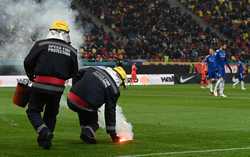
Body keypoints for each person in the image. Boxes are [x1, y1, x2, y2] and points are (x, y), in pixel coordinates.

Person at [24, 20, 78, 149]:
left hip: (40, 83)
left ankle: (43, 131)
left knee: (33, 110)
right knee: (51, 114)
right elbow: (74, 72)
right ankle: (46, 142)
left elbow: (27, 62)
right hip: (58, 87)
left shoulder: (41, 44)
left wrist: (31, 75)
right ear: (66, 34)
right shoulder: (72, 50)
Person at [67, 66, 127, 144]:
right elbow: (110, 111)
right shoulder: (114, 90)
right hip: (86, 105)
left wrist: (74, 87)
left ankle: (85, 131)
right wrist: (113, 134)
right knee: (94, 123)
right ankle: (87, 132)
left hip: (71, 98)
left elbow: (78, 73)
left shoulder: (95, 69)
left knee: (83, 113)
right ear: (120, 79)